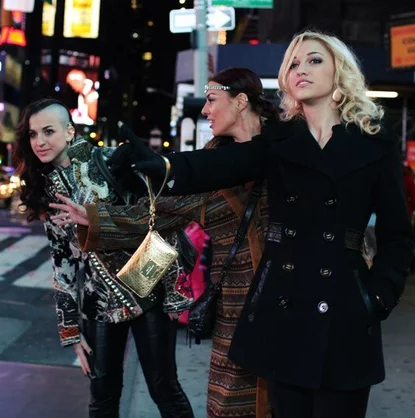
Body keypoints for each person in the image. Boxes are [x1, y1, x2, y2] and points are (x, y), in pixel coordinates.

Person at [112, 30, 415, 418]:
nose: (301, 69)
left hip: (346, 312)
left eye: (314, 60)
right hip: (284, 311)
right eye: (293, 63)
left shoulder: (374, 141)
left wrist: (379, 297)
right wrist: (162, 166)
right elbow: (219, 165)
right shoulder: (280, 139)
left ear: (340, 70)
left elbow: (397, 234)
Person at [49, 67, 278, 418]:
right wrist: (93, 218)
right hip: (235, 301)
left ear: (241, 101)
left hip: (287, 295)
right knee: (231, 402)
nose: (205, 110)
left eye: (211, 100)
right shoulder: (207, 164)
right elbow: (162, 211)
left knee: (288, 397)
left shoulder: (286, 146)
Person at [13, 98, 194, 418]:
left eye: (48, 131)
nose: (39, 141)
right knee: (102, 398)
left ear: (70, 132)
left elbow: (158, 219)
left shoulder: (110, 161)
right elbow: (63, 262)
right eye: (33, 134)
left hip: (147, 289)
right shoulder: (47, 188)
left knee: (164, 390)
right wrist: (70, 331)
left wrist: (172, 291)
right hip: (98, 303)